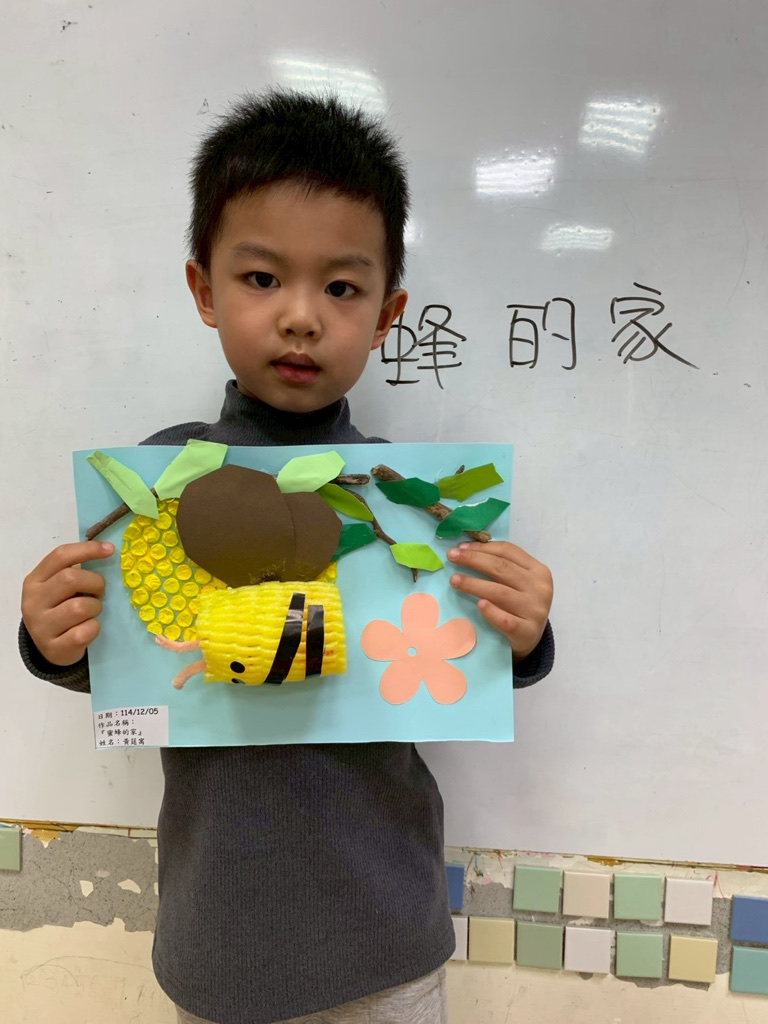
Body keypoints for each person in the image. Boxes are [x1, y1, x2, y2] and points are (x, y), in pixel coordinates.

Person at [19, 91, 555, 1024]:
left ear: (387, 314)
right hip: (217, 943)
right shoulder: (157, 492)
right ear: (204, 290)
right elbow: (131, 668)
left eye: (341, 288)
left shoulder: (409, 507)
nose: (301, 317)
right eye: (263, 278)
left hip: (389, 945)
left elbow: (464, 667)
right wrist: (52, 638)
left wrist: (524, 631)